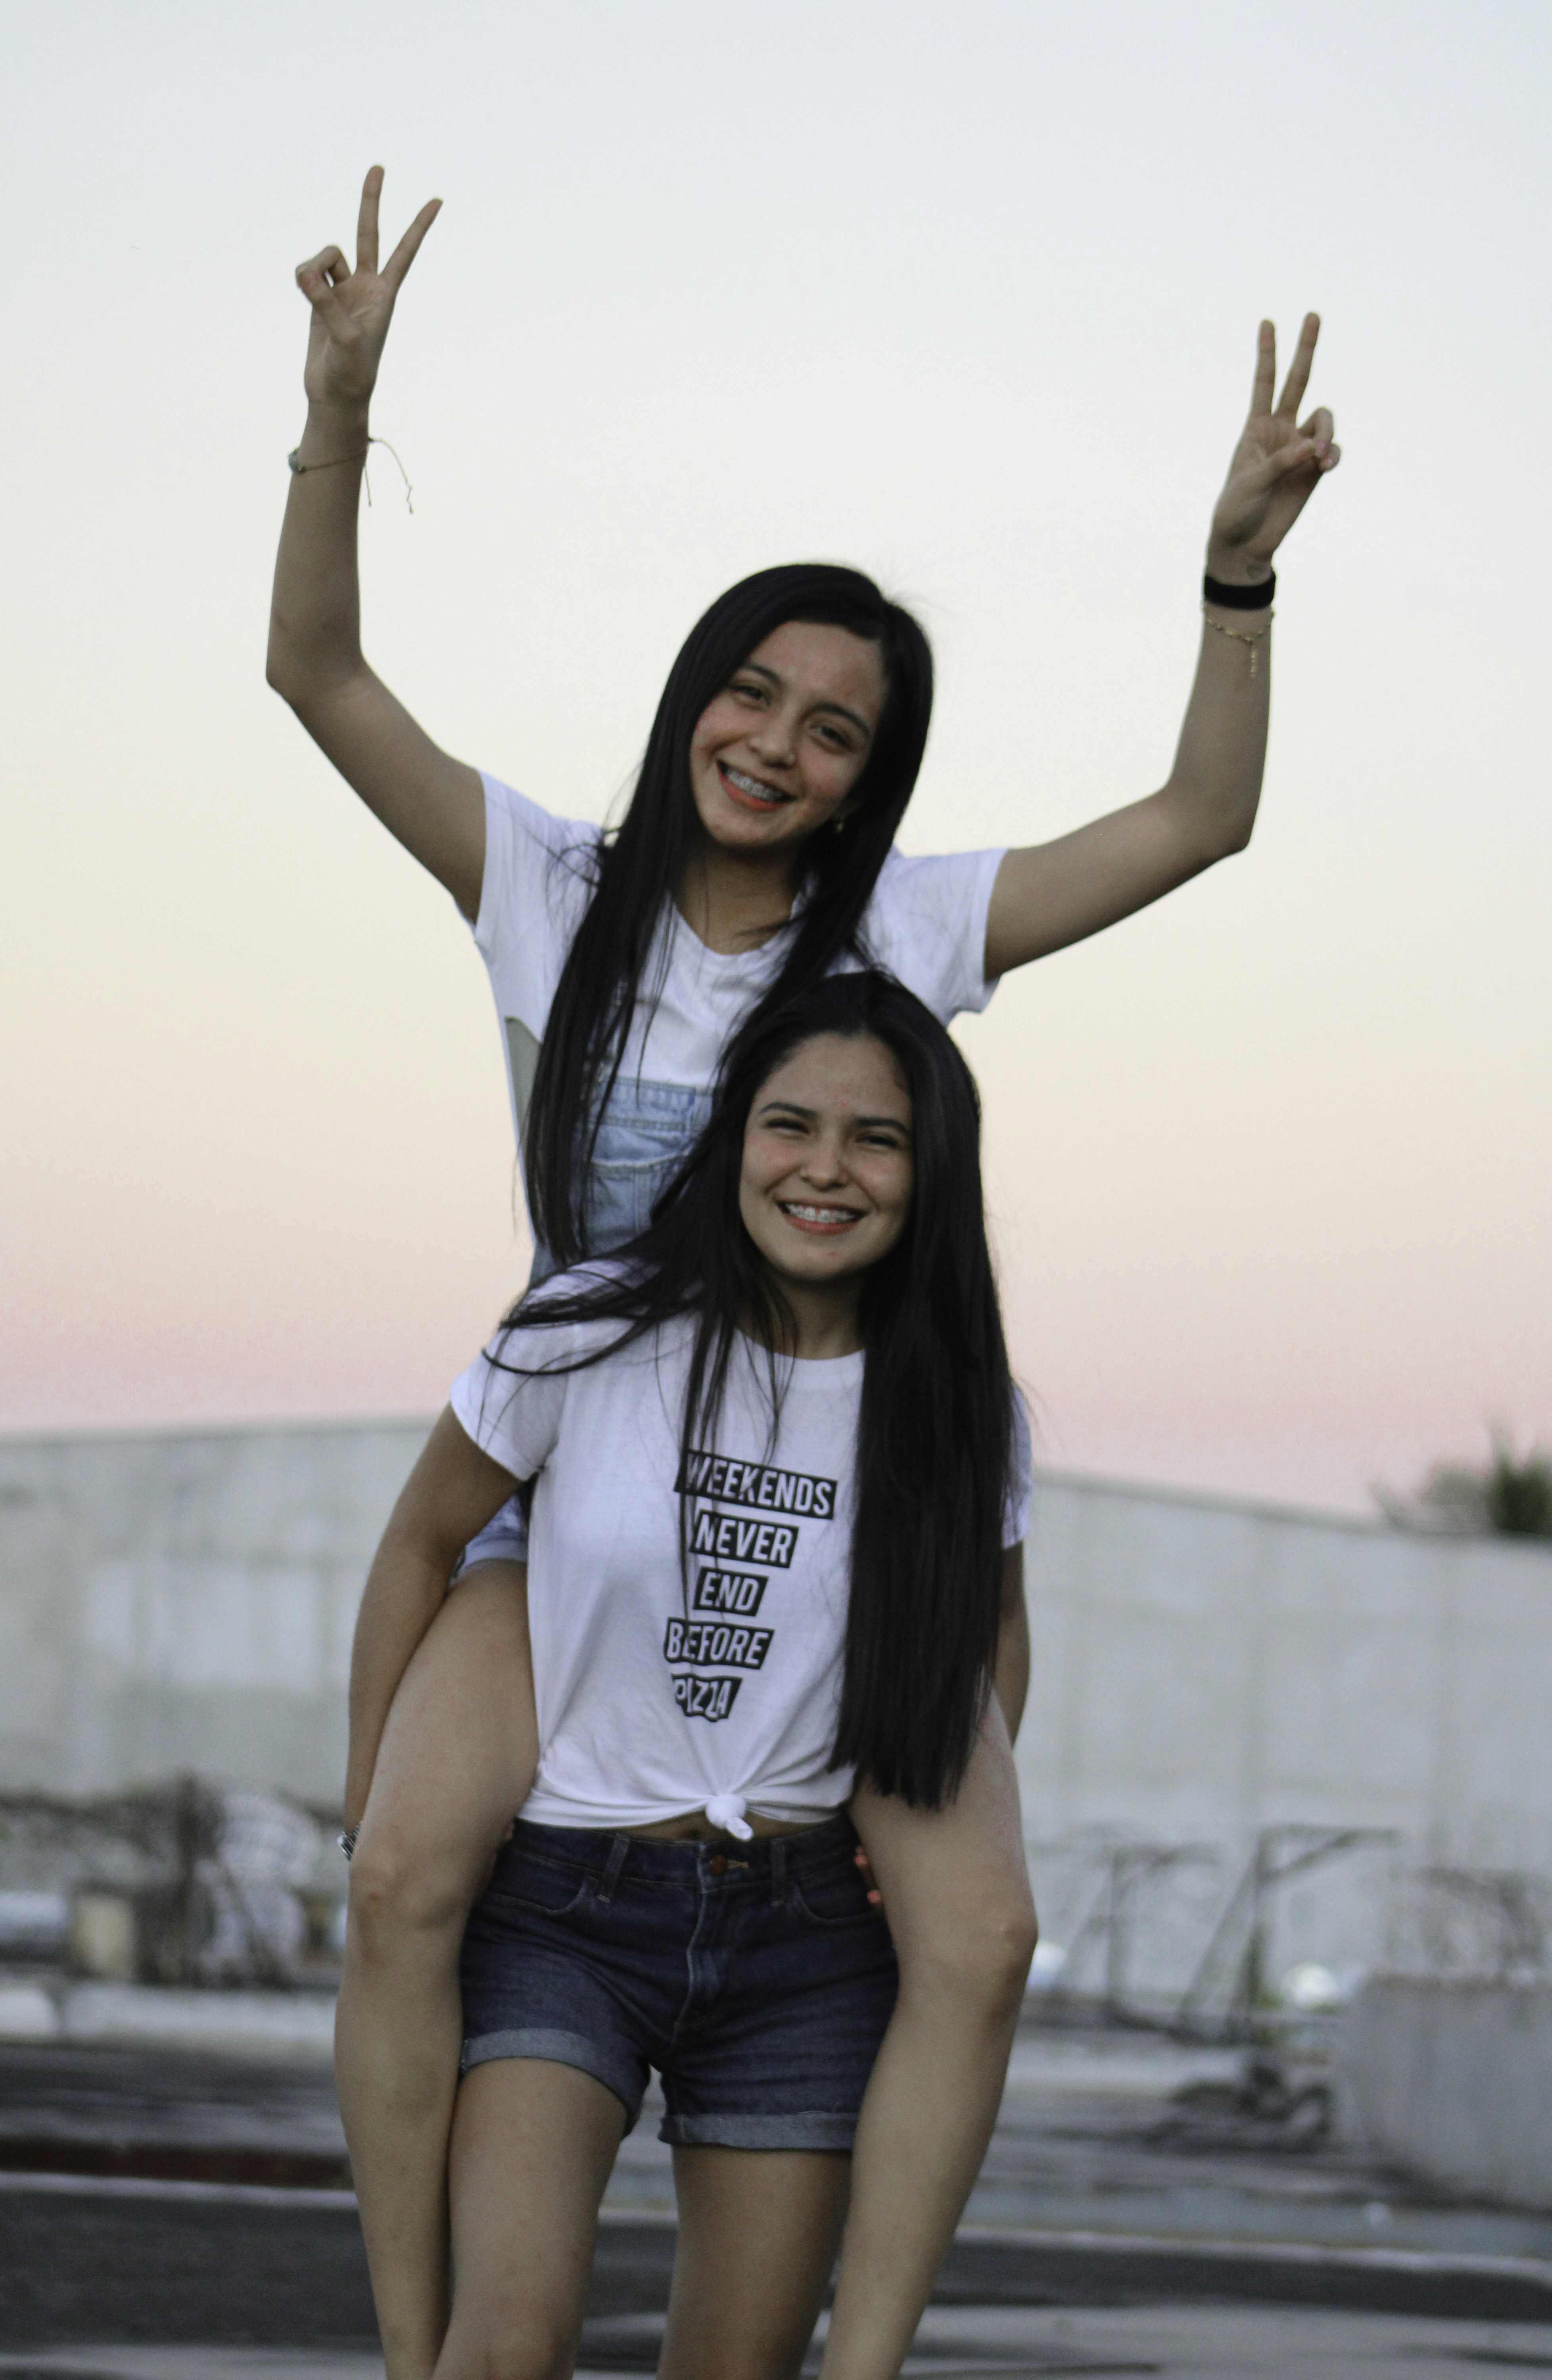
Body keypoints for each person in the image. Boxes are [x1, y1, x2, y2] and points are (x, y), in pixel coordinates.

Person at [264, 166, 1339, 2377]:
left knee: (970, 1928)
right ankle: (415, 2346)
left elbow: (1191, 825)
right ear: (693, 699)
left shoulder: (894, 947)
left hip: (830, 1523)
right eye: (748, 693)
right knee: (394, 1882)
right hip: (584, 1488)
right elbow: (314, 669)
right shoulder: (548, 884)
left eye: (829, 725)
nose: (773, 739)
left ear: (867, 779)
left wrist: (1229, 580)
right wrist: (340, 418)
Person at [359, 972, 1033, 2380]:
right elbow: (423, 1540)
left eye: (877, 1139)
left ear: (931, 1171)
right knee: (506, 2351)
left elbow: (988, 1631)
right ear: (734, 1135)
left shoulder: (960, 1398)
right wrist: (375, 1791)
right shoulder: (585, 1329)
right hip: (568, 1906)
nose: (825, 1170)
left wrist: (916, 1847)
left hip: (801, 1946)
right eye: (790, 1125)